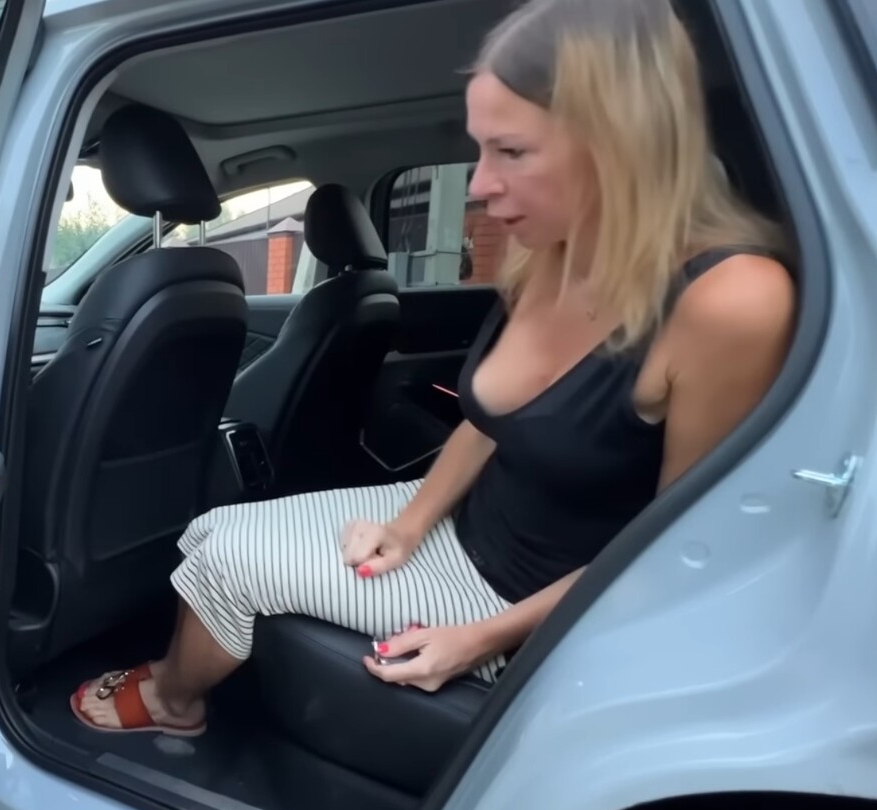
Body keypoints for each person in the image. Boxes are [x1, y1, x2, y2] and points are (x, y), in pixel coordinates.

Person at [71, 0, 796, 736]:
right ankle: (178, 678)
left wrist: (484, 638)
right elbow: (488, 423)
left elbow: (676, 548)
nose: (480, 185)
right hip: (463, 524)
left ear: (621, 142)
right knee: (211, 529)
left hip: (524, 599)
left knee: (226, 558)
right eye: (481, 150)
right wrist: (410, 524)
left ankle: (175, 703)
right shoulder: (550, 252)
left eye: (511, 151)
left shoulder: (730, 302)